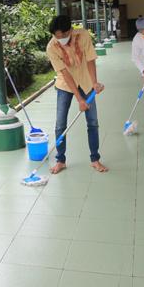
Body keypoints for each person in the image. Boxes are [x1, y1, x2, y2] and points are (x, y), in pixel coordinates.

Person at [45, 15, 106, 174]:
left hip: (86, 81)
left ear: (70, 30)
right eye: (57, 37)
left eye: (64, 36)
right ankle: (60, 160)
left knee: (92, 122)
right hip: (65, 85)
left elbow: (90, 60)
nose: (61, 40)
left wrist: (94, 83)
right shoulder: (51, 47)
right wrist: (79, 99)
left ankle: (95, 159)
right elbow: (65, 73)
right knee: (60, 124)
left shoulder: (83, 35)